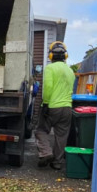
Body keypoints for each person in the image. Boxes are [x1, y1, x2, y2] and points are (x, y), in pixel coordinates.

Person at [35, 41, 75, 170]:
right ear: (65, 56)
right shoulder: (70, 71)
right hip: (67, 108)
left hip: (52, 107)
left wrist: (45, 104)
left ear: (51, 55)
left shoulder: (50, 68)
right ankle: (57, 163)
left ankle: (46, 153)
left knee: (41, 130)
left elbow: (48, 87)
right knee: (61, 136)